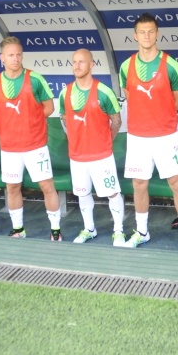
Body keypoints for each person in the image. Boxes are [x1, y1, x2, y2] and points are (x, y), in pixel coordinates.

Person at [119, 13, 178, 253]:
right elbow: (130, 96)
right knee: (139, 183)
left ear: (157, 34)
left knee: (176, 182)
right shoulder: (126, 66)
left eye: (151, 31)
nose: (146, 36)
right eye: (142, 32)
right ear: (135, 36)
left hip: (165, 135)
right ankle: (142, 232)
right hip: (138, 136)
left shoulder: (171, 65)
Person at [0, 37, 62, 241]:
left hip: (35, 145)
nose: (15, 58)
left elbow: (49, 107)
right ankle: (18, 229)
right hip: (10, 148)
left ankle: (55, 230)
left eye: (19, 54)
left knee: (47, 186)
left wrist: (29, 122)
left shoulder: (35, 79)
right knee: (12, 187)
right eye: (11, 55)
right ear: (2, 57)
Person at [60, 49, 126, 246]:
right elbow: (64, 119)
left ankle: (118, 230)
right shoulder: (65, 92)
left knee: (112, 192)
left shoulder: (104, 92)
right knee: (82, 193)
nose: (77, 65)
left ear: (91, 64)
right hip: (77, 156)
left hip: (101, 156)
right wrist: (75, 139)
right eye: (74, 62)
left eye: (82, 62)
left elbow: (116, 121)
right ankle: (89, 228)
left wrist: (105, 141)